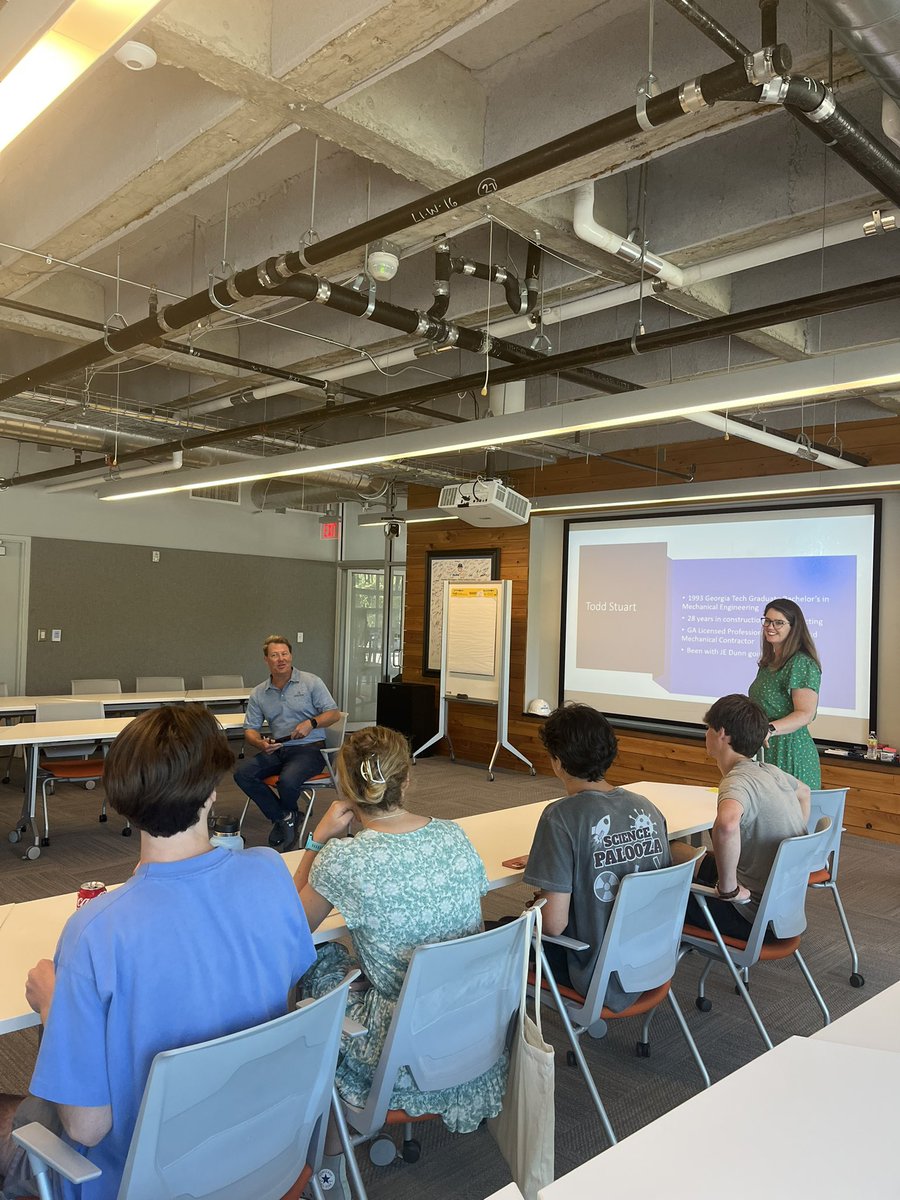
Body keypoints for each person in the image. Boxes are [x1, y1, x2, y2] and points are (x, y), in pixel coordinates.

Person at [0, 703, 315, 1200]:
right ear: (212, 792)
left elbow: (85, 1128)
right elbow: (285, 987)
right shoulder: (269, 872)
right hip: (261, 1148)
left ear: (123, 799)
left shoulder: (95, 931)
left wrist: (52, 1004)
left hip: (139, 1182)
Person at [292, 725, 505, 1197]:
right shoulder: (455, 836)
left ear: (346, 790)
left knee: (312, 967)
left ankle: (328, 1163)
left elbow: (289, 929)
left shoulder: (345, 858)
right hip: (471, 1026)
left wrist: (316, 842)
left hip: (398, 1047)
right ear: (407, 781)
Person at [523, 703, 671, 1010]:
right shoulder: (647, 808)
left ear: (558, 762)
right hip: (652, 960)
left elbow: (552, 927)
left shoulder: (560, 818)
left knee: (497, 932)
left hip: (598, 973)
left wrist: (540, 903)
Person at [686, 693, 811, 938]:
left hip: (749, 918)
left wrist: (729, 889)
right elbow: (804, 793)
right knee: (679, 854)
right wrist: (794, 844)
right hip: (783, 912)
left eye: (708, 728)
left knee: (655, 897)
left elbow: (726, 825)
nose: (705, 734)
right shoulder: (770, 771)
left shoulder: (736, 782)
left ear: (722, 733)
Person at [234, 634, 342, 850]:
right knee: (242, 774)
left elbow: (334, 714)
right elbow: (250, 730)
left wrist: (311, 723)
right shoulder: (259, 693)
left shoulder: (311, 682)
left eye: (284, 654)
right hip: (278, 748)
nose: (281, 659)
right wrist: (260, 743)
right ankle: (285, 816)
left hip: (310, 749)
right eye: (275, 655)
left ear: (291, 656)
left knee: (287, 781)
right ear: (266, 660)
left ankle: (284, 820)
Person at [748, 597, 822, 788]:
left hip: (789, 750)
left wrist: (770, 729)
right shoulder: (769, 662)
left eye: (779, 622)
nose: (770, 626)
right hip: (765, 749)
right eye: (767, 620)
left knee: (788, 815)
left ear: (794, 627)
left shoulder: (801, 663)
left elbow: (805, 714)